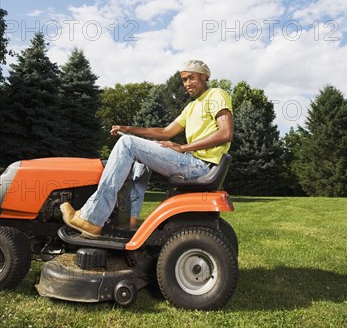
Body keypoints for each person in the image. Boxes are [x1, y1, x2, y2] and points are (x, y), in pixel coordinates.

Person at [60, 60, 234, 238]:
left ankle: (92, 218)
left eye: (192, 78)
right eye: (184, 80)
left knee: (128, 144)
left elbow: (225, 132)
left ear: (204, 76)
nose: (187, 84)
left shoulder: (216, 95)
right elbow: (166, 132)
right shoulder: (191, 107)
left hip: (200, 165)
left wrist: (183, 147)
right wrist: (129, 129)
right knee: (142, 154)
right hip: (193, 162)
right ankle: (131, 220)